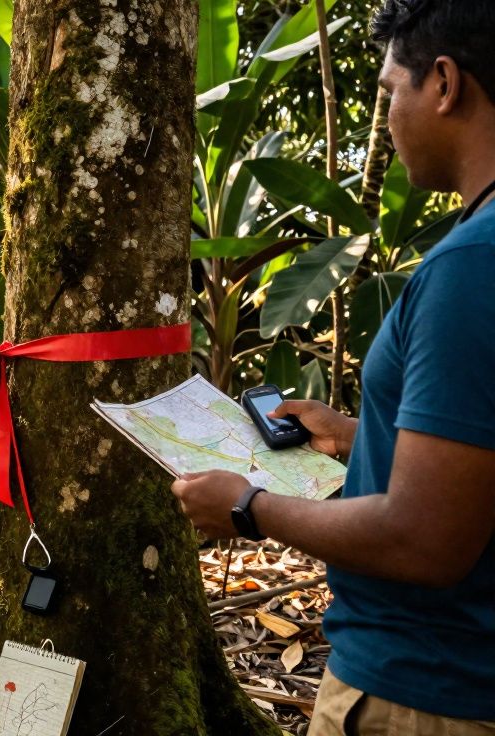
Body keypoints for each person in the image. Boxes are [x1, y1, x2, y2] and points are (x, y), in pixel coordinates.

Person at [171, 1, 495, 733]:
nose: (387, 118)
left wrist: (250, 508)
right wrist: (359, 432)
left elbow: (425, 538)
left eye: (389, 93)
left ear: (443, 83)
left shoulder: (471, 267)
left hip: (424, 691)